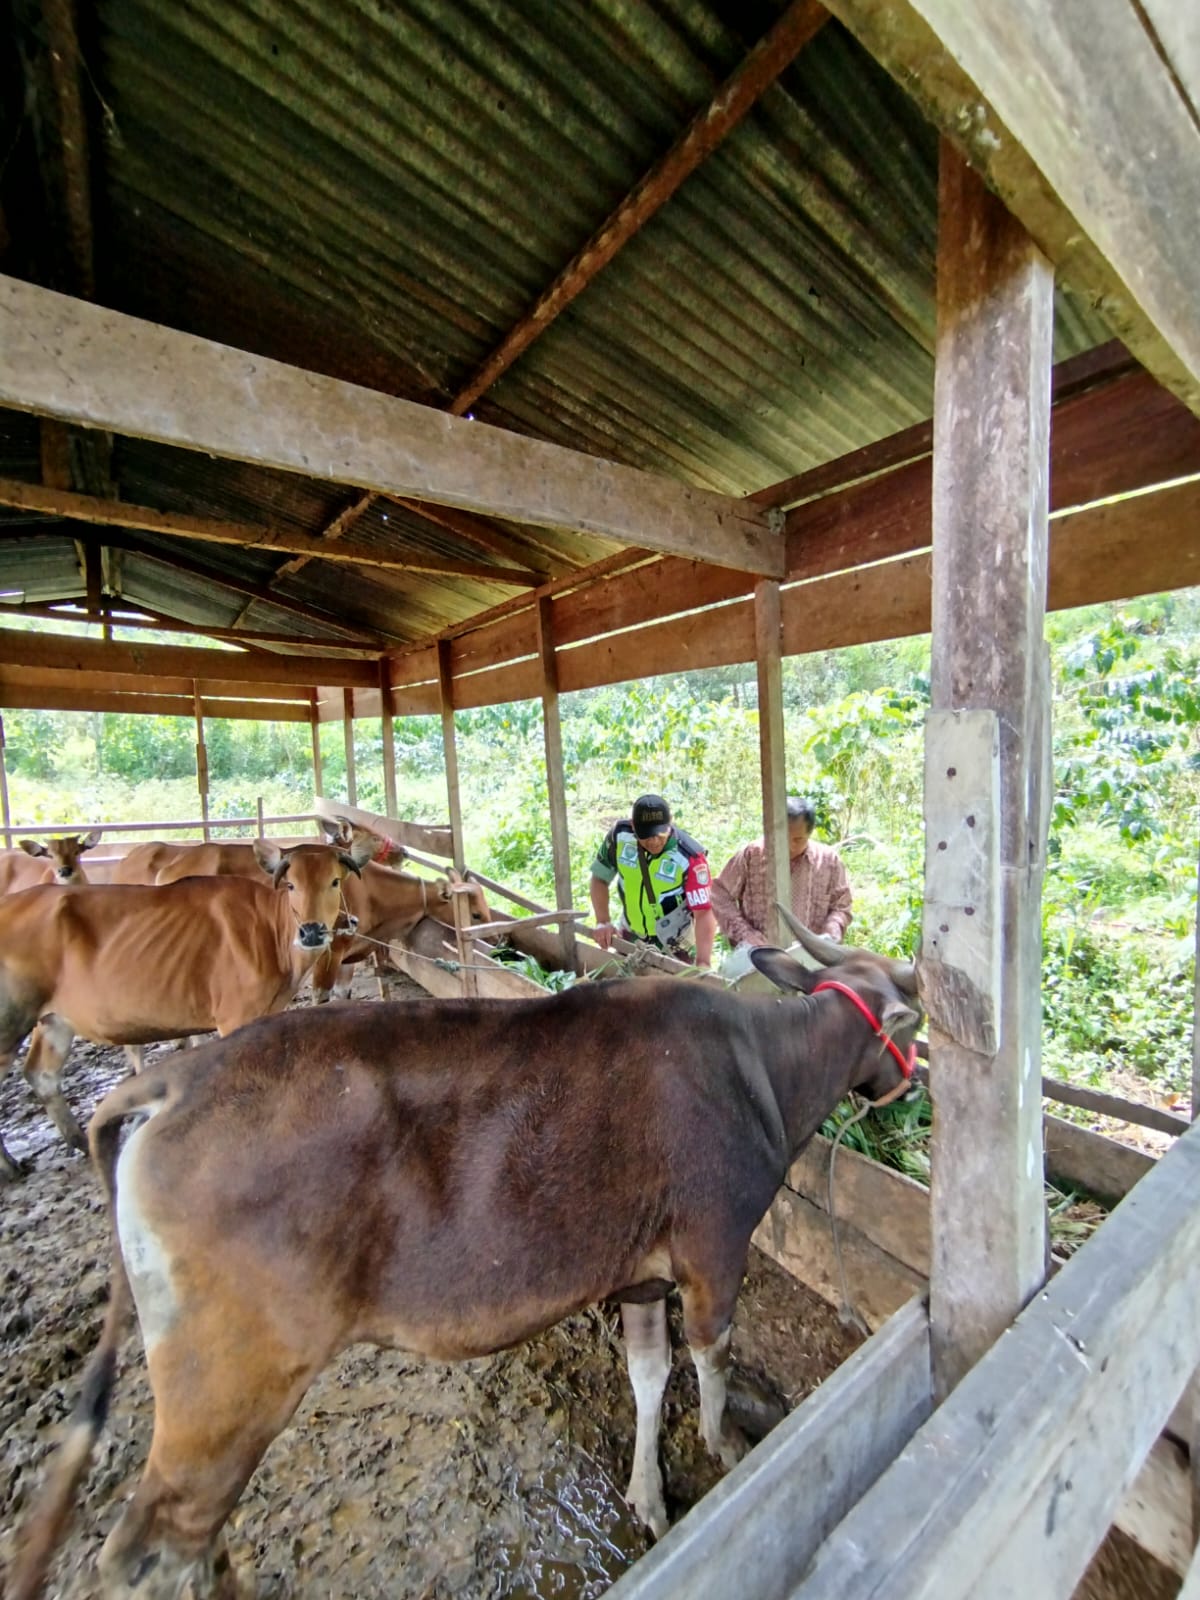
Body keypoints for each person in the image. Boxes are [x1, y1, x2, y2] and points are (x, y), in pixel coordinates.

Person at [589, 794, 717, 966]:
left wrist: (703, 962)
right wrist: (603, 921)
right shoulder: (619, 837)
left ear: (670, 821)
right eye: (646, 835)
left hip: (676, 944)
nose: (654, 841)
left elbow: (704, 912)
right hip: (631, 936)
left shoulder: (689, 857)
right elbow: (599, 878)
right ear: (633, 826)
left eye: (660, 834)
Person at [711, 796, 852, 950]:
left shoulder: (828, 861)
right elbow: (719, 894)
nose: (790, 846)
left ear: (810, 834)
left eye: (798, 840)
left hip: (812, 957)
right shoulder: (752, 855)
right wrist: (745, 934)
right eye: (783, 838)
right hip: (760, 956)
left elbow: (841, 905)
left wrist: (832, 928)